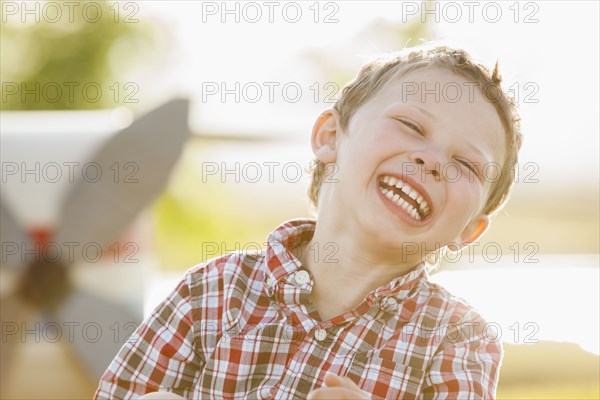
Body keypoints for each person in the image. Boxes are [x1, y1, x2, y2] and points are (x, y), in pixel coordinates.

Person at [94, 44, 522, 400]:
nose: (431, 161)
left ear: (469, 230)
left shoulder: (458, 341)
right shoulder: (211, 294)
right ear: (330, 137)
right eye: (411, 125)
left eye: (465, 165)